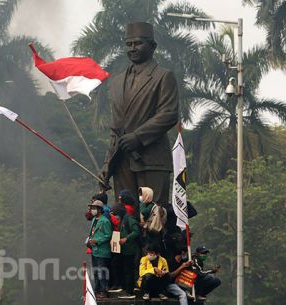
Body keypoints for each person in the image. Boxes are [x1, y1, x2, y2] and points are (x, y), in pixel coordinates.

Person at [98, 21, 179, 207]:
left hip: (151, 159)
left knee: (153, 220)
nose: (132, 48)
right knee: (125, 217)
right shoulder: (116, 82)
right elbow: (116, 128)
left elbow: (169, 114)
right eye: (129, 44)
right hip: (122, 161)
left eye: (138, 43)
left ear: (152, 46)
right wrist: (107, 163)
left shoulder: (163, 76)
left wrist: (138, 137)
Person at [87, 200, 113, 299]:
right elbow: (92, 232)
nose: (92, 210)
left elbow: (108, 235)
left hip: (102, 251)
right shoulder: (94, 220)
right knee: (95, 271)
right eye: (92, 208)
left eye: (94, 208)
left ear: (100, 210)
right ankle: (97, 290)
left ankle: (104, 291)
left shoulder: (105, 221)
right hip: (94, 250)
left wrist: (97, 241)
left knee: (102, 271)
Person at [117, 202, 141, 299]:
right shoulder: (122, 219)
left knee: (129, 270)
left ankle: (129, 292)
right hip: (124, 250)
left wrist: (126, 238)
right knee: (125, 270)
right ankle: (126, 289)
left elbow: (136, 231)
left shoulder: (129, 218)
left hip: (130, 249)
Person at [138, 187, 166, 252]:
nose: (140, 196)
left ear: (147, 195)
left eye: (142, 194)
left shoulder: (151, 206)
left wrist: (140, 205)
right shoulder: (145, 204)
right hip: (147, 233)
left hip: (152, 234)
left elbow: (143, 212)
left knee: (151, 251)